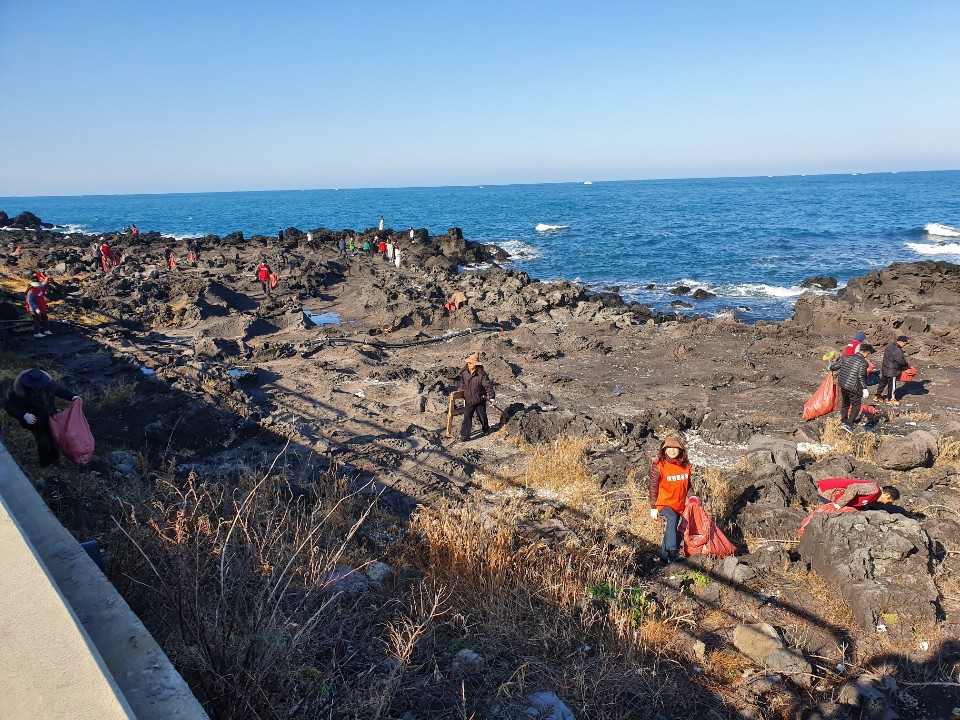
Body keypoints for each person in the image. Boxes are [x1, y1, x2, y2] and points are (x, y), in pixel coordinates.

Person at [4, 368, 80, 467]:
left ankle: (56, 460)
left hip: (51, 417)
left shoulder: (49, 385)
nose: (37, 389)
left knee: (55, 438)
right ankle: (45, 464)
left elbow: (60, 390)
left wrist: (73, 396)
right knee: (43, 441)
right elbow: (9, 406)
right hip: (35, 421)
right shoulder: (18, 392)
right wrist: (24, 415)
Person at [649, 436, 695, 563]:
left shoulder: (685, 466)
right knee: (672, 518)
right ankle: (673, 552)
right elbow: (653, 486)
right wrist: (653, 507)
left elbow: (687, 484)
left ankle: (664, 558)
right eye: (669, 448)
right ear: (664, 450)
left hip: (678, 503)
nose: (672, 450)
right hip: (663, 502)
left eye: (675, 448)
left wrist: (692, 496)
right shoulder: (659, 466)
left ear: (681, 450)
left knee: (672, 526)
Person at [830, 343, 874, 432]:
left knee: (845, 403)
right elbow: (861, 376)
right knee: (856, 406)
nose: (867, 356)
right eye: (868, 354)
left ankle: (843, 420)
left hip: (843, 384)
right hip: (853, 387)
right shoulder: (863, 363)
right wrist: (864, 389)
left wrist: (830, 367)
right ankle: (849, 424)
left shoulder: (847, 357)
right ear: (865, 352)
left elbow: (835, 366)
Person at [458, 353, 495, 441]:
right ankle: (464, 436)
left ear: (476, 365)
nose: (469, 364)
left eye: (471, 363)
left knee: (482, 416)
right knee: (467, 417)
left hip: (480, 399)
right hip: (469, 400)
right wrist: (462, 392)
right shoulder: (464, 372)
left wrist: (492, 398)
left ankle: (485, 429)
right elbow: (461, 383)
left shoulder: (481, 374)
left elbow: (488, 386)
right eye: (468, 363)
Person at [816, 478, 899, 509]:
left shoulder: (875, 495)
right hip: (827, 493)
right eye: (888, 501)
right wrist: (839, 504)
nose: (885, 503)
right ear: (887, 495)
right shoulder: (874, 489)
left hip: (830, 494)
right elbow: (854, 487)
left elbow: (863, 499)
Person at [877, 336, 911, 405]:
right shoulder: (898, 350)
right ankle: (891, 399)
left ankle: (877, 395)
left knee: (882, 383)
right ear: (900, 342)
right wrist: (906, 365)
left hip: (885, 368)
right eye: (905, 343)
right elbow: (900, 361)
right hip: (892, 370)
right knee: (892, 385)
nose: (905, 345)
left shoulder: (889, 346)